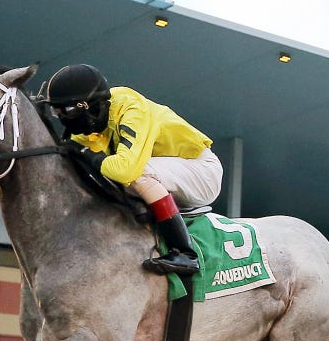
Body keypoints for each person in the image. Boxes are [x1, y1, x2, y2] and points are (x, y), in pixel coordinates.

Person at [43, 64, 223, 275]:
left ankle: (185, 253)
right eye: (56, 112)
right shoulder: (97, 116)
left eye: (66, 111)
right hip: (169, 175)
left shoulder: (132, 110)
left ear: (87, 106)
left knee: (135, 173)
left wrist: (88, 154)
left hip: (201, 172)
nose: (62, 118)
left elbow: (125, 170)